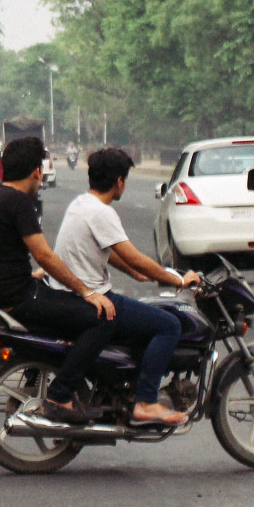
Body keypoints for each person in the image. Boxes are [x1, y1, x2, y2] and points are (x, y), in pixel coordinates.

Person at [42, 146, 201, 426]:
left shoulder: (81, 204)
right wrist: (177, 279)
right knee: (169, 325)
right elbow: (131, 254)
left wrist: (137, 273)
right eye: (124, 179)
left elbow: (111, 252)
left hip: (69, 294)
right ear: (119, 181)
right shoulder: (102, 213)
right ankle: (147, 403)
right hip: (93, 299)